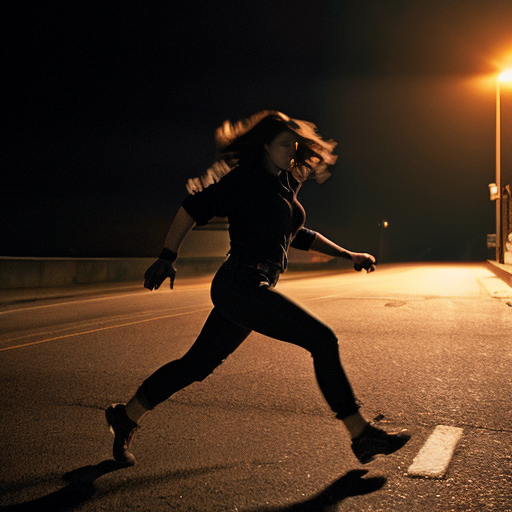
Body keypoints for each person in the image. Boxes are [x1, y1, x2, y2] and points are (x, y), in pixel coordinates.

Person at [105, 111, 410, 466]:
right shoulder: (246, 180)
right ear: (265, 146)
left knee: (196, 365)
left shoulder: (283, 185)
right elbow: (192, 207)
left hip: (251, 286)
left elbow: (298, 235)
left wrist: (348, 254)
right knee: (322, 340)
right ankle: (361, 435)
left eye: (295, 144)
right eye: (284, 143)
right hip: (240, 283)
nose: (292, 149)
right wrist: (166, 256)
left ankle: (126, 416)